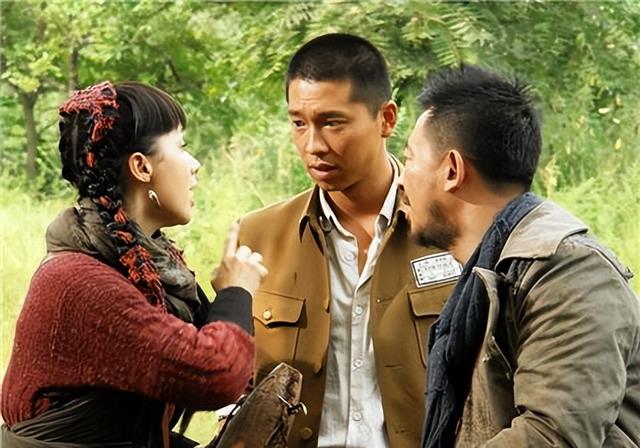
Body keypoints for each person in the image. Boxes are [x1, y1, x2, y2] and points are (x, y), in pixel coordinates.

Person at [1, 81, 268, 447]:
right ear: (142, 167)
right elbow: (216, 375)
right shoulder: (80, 284)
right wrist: (236, 291)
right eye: (181, 147)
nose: (195, 165)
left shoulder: (143, 264)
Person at [397, 64, 640, 447]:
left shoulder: (567, 269)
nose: (401, 179)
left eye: (410, 159)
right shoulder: (488, 270)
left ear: (452, 171)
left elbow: (552, 435)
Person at [237, 34, 457, 447]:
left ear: (386, 119)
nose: (313, 145)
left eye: (332, 123)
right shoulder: (257, 237)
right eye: (299, 123)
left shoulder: (452, 232)